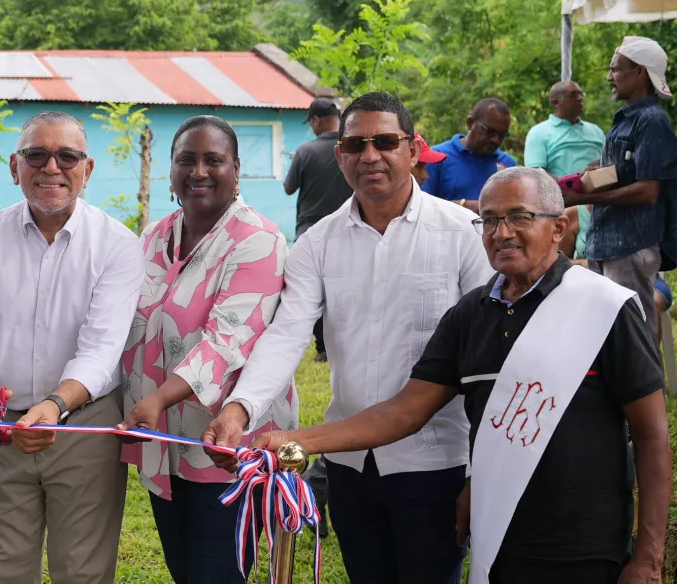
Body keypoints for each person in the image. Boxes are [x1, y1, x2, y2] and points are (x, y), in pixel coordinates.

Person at [248, 167, 671, 584]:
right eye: (488, 220)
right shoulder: (469, 316)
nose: (501, 232)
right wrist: (298, 440)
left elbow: (652, 435)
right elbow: (403, 412)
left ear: (558, 227)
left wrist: (650, 557)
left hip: (585, 547)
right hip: (497, 539)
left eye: (520, 217)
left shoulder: (604, 307)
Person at [203, 93, 492, 584]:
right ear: (339, 156)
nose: (370, 155)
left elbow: (487, 362)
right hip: (350, 467)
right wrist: (239, 409)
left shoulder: (463, 233)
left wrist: (480, 473)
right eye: (355, 144)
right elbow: (287, 333)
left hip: (438, 461)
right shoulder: (317, 243)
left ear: (413, 149)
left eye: (385, 141)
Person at [0, 111, 143, 584]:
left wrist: (56, 404)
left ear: (87, 169)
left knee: (83, 570)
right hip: (1, 426)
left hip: (85, 426)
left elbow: (101, 348)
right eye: (37, 155)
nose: (51, 167)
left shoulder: (118, 246)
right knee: (5, 569)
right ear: (15, 167)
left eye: (67, 156)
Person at [117, 115, 292, 584]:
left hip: (225, 443)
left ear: (236, 170)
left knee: (216, 574)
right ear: (170, 171)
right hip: (163, 439)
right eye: (186, 160)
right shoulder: (154, 237)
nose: (199, 171)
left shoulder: (259, 240)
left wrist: (155, 399)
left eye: (214, 161)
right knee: (185, 569)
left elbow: (227, 340)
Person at [564, 36, 677, 341]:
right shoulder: (624, 121)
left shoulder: (653, 121)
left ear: (640, 72)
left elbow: (648, 190)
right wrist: (594, 175)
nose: (609, 77)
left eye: (616, 70)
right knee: (609, 337)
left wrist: (586, 196)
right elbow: (624, 174)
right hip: (606, 245)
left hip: (631, 246)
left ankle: (649, 390)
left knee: (633, 337)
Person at [284, 96, 353, 363]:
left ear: (316, 120)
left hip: (310, 230)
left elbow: (289, 188)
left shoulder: (305, 151)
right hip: (348, 225)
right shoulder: (349, 148)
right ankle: (343, 343)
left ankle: (323, 348)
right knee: (345, 287)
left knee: (312, 290)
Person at [421, 98, 517, 209]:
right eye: (490, 131)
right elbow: (423, 206)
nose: (495, 140)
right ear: (470, 123)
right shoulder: (438, 157)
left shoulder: (508, 164)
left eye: (502, 135)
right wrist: (465, 206)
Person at [523, 80, 605, 179]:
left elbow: (610, 161)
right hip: (560, 192)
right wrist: (573, 182)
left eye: (581, 94)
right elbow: (536, 173)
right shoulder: (538, 132)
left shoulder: (596, 131)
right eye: (573, 95)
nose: (580, 98)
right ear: (555, 102)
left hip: (599, 191)